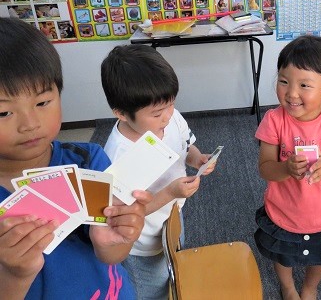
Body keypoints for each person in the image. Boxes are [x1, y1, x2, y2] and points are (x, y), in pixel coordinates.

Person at [0, 17, 151, 299]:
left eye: (43, 102)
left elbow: (112, 254)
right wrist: (14, 274)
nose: (30, 124)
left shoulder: (88, 160)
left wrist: (119, 238)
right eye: (3, 112)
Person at [100, 44, 217, 300]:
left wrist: (196, 158)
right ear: (121, 113)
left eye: (171, 105)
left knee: (174, 267)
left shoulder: (171, 117)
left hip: (171, 217)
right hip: (141, 241)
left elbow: (186, 143)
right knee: (151, 290)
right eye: (156, 113)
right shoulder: (120, 155)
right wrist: (170, 192)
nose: (167, 116)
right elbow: (124, 214)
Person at [254, 35, 321, 300]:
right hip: (285, 210)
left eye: (304, 85)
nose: (291, 94)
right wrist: (286, 169)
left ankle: (310, 288)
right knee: (284, 254)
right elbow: (265, 168)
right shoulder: (274, 119)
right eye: (283, 81)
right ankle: (288, 287)